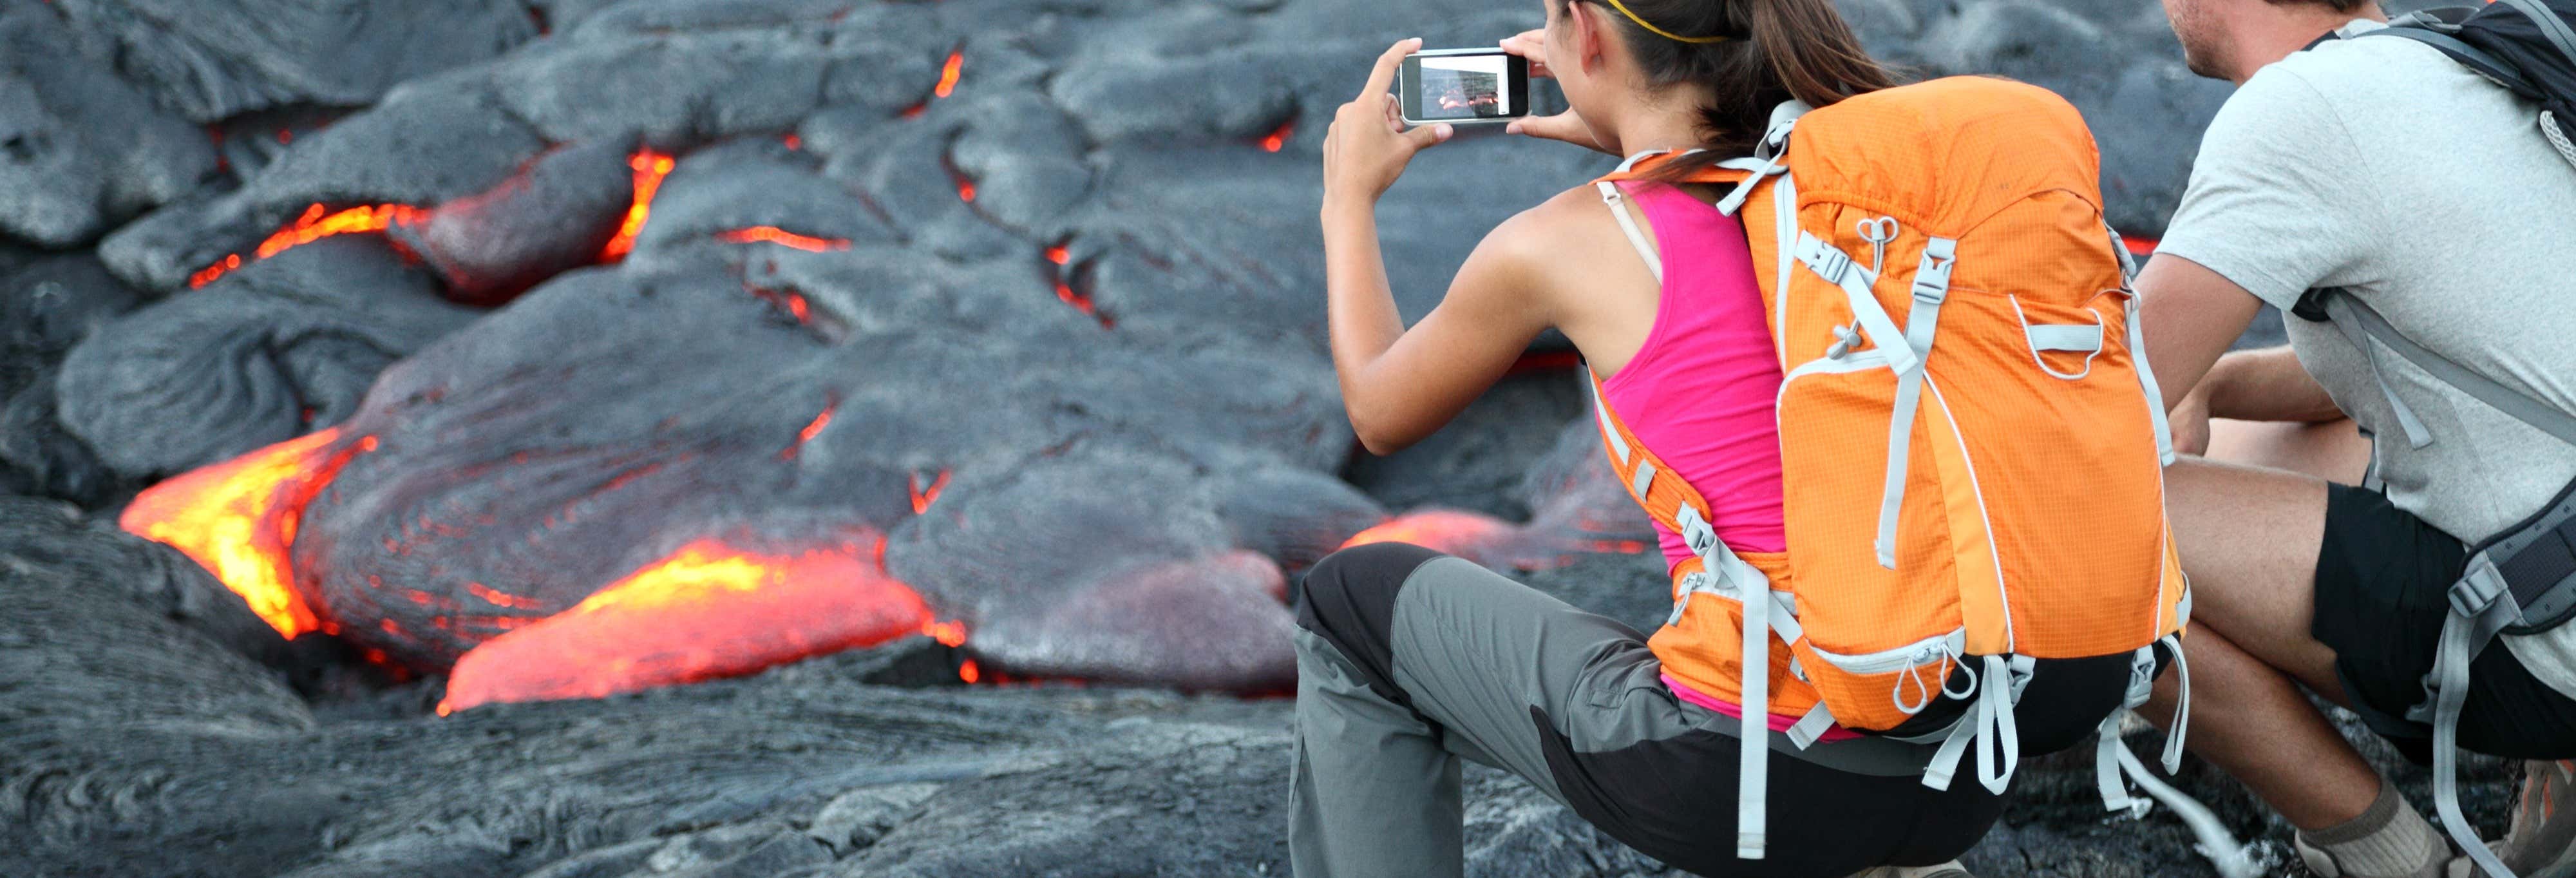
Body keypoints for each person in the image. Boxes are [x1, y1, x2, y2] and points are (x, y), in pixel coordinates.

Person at [1289, 1, 2155, 875]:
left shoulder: (1562, 244)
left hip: (1752, 780)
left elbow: (1380, 410)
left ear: (1586, 31)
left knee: (1351, 604)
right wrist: (1627, 126)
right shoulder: (1865, 204)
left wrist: (1346, 199)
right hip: (1962, 752)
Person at [2134, 0, 2576, 876]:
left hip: (2549, 643)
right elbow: (2451, 352)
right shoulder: (2449, 57)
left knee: (2061, 531)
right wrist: (2216, 383)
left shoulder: (2296, 111)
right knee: (2234, 449)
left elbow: (2082, 413)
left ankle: (2387, 855)